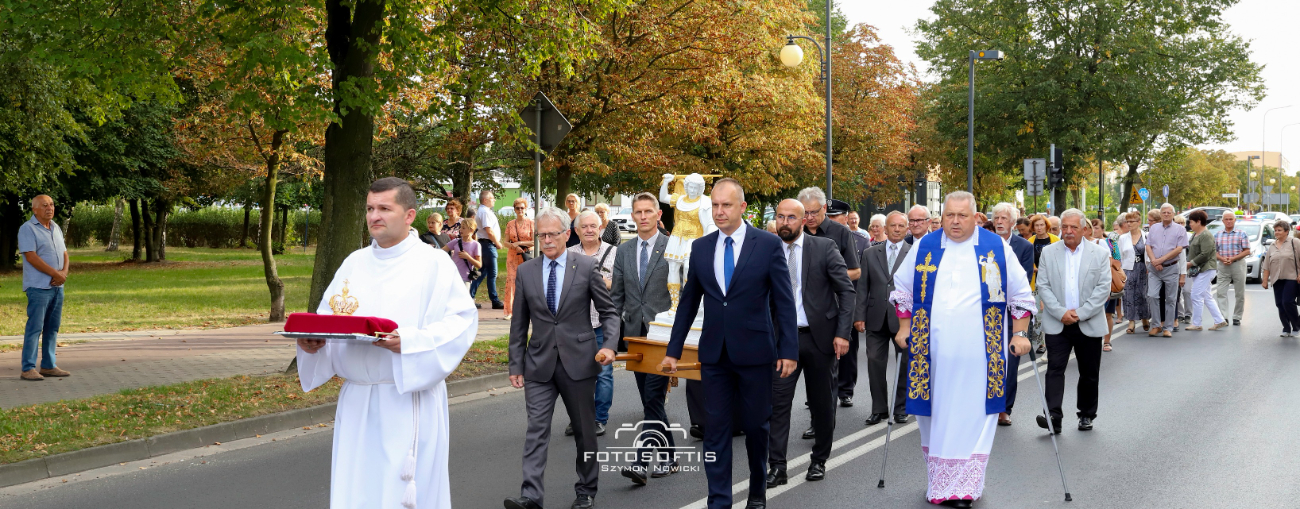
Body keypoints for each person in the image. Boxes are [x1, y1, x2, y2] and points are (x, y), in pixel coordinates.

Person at [296, 177, 477, 509]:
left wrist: (409, 341)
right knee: (357, 491)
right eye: (369, 208)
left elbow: (462, 323)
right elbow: (328, 320)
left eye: (383, 208)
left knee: (400, 495)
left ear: (409, 215)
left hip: (406, 399)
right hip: (357, 400)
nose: (374, 216)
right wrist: (313, 343)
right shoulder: (354, 263)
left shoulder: (433, 264)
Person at [889, 191, 1035, 507]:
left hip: (982, 352)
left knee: (974, 413)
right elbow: (903, 288)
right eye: (949, 215)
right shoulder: (925, 246)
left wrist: (1020, 333)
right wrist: (904, 327)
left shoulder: (996, 248)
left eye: (962, 215)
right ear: (941, 217)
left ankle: (965, 487)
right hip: (932, 352)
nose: (955, 222)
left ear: (975, 217)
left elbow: (1020, 294)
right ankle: (940, 482)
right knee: (935, 415)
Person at [660, 178, 798, 509]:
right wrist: (672, 352)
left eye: (726, 205)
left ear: (742, 208)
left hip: (755, 354)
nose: (719, 212)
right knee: (715, 429)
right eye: (715, 206)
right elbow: (689, 302)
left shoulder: (766, 244)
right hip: (715, 355)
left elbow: (783, 301)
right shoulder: (702, 247)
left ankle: (756, 493)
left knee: (755, 427)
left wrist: (789, 351)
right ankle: (718, 500)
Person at [505, 207, 620, 509]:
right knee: (536, 430)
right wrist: (515, 364)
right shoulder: (528, 271)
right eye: (541, 235)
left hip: (579, 362)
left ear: (567, 234)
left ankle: (586, 490)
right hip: (539, 364)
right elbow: (519, 324)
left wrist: (609, 345)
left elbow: (609, 312)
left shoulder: (584, 266)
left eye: (552, 234)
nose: (546, 240)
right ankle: (531, 496)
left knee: (585, 431)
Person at [765, 198, 854, 488]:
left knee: (821, 404)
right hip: (781, 342)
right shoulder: (767, 251)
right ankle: (777, 467)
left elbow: (846, 291)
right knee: (777, 405)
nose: (785, 223)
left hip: (819, 340)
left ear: (803, 221)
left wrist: (842, 333)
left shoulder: (824, 247)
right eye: (780, 217)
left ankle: (819, 459)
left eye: (792, 217)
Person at [609, 193, 679, 485]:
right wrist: (611, 340)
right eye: (638, 212)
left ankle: (641, 460)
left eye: (648, 211)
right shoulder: (624, 251)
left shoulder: (673, 246)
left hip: (664, 336)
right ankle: (671, 456)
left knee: (652, 397)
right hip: (636, 338)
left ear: (658, 214)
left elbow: (682, 293)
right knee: (650, 401)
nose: (643, 216)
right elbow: (616, 299)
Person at [1035, 209, 1112, 434]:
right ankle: (1053, 416)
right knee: (1054, 369)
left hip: (1087, 322)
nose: (1068, 232)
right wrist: (1061, 312)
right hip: (1058, 322)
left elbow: (1103, 288)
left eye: (1073, 228)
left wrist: (1080, 313)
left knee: (1089, 372)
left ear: (1084, 229)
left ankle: (1086, 414)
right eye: (1064, 228)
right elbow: (1043, 286)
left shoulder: (1098, 253)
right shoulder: (1049, 252)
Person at [564, 210, 618, 438]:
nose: (588, 230)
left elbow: (620, 285)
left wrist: (601, 281)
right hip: (575, 326)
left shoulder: (615, 253)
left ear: (600, 229)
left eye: (592, 226)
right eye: (583, 227)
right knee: (576, 376)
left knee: (603, 373)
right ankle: (578, 418)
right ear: (576, 231)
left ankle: (599, 419)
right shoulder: (567, 254)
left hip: (602, 324)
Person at [852, 211, 910, 426]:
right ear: (885, 228)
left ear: (907, 229)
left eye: (901, 226)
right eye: (892, 225)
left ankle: (901, 408)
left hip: (903, 319)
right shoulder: (870, 253)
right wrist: (859, 315)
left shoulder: (913, 253)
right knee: (875, 362)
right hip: (875, 316)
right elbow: (863, 287)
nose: (896, 229)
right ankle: (879, 409)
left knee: (904, 364)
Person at [18, 194, 71, 381]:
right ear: (35, 209)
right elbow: (31, 257)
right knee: (35, 327)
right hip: (39, 287)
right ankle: (28, 368)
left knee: (52, 327)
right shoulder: (27, 229)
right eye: (44, 205)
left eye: (51, 204)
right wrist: (55, 274)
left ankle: (48, 365)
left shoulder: (56, 227)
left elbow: (64, 253)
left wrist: (63, 273)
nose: (49, 208)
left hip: (57, 287)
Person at [991, 203, 1034, 426]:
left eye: (1004, 218)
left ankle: (1004, 408)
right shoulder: (983, 244)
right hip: (985, 312)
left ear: (1013, 223)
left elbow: (1024, 281)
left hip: (1012, 312)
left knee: (1010, 361)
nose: (999, 222)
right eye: (996, 218)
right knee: (988, 360)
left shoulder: (1024, 247)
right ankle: (986, 404)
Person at [1184, 210, 1229, 332]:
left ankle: (1197, 323)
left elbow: (1205, 254)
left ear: (1199, 222)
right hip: (1199, 269)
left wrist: (1191, 263)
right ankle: (1219, 320)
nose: (1190, 224)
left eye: (1191, 222)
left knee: (1196, 294)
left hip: (1206, 269)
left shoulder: (1206, 235)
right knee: (1207, 296)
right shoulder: (1196, 234)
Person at [1146, 204, 1186, 338]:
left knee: (1170, 298)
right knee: (1152, 295)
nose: (1166, 214)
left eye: (1169, 212)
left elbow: (1179, 249)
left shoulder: (1180, 229)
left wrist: (1161, 260)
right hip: (1154, 268)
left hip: (1171, 268)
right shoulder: (1154, 228)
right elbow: (1148, 246)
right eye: (1164, 212)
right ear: (1161, 214)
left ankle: (1168, 327)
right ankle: (1156, 325)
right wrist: (1154, 261)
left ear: (1173, 214)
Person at [1085, 219, 1124, 350]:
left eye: (1096, 228)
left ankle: (1107, 341)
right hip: (1086, 285)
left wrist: (1106, 286)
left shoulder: (1101, 242)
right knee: (1090, 313)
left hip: (1102, 283)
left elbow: (1109, 263)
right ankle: (1090, 340)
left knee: (1106, 313)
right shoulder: (1076, 244)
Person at [1261, 221, 1300, 337]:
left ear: (1287, 231)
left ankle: (1296, 326)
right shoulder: (1272, 245)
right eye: (1275, 230)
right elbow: (1267, 265)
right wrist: (1265, 280)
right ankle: (1286, 328)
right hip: (1277, 279)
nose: (1276, 232)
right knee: (1279, 303)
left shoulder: (1295, 242)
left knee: (1287, 301)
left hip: (1292, 277)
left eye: (1279, 230)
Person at [469, 191, 505, 310]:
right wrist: (497, 242)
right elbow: (488, 230)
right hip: (488, 244)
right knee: (492, 273)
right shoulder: (484, 212)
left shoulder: (485, 211)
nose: (494, 200)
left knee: (483, 272)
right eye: (492, 198)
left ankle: (469, 296)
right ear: (485, 200)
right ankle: (494, 300)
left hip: (486, 244)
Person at [1214, 211, 1249, 326]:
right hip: (1223, 265)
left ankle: (1237, 317)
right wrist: (1222, 258)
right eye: (1226, 219)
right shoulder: (1217, 235)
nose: (1228, 221)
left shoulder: (1241, 233)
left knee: (1240, 293)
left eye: (1231, 219)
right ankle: (1223, 317)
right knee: (1220, 292)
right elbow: (1213, 252)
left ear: (1235, 220)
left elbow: (1247, 250)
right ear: (1223, 221)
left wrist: (1233, 258)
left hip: (1238, 264)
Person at [1118, 211, 1151, 335]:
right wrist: (1120, 271)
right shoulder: (1122, 238)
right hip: (1128, 269)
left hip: (1143, 267)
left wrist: (1149, 264)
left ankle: (1144, 318)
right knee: (1128, 295)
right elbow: (1120, 255)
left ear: (1139, 222)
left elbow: (1149, 251)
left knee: (1143, 294)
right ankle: (1131, 322)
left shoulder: (1146, 236)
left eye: (1132, 221)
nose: (1129, 224)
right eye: (1127, 221)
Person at [504, 199, 535, 320]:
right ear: (514, 210)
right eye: (517, 208)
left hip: (527, 254)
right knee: (511, 281)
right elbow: (505, 242)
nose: (520, 210)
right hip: (513, 255)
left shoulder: (531, 223)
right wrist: (514, 246)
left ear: (526, 209)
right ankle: (509, 311)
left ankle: (528, 310)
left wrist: (520, 243)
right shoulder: (510, 224)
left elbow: (534, 241)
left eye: (522, 208)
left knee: (527, 282)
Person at [448, 218, 483, 290]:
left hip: (465, 278)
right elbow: (441, 251)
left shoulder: (476, 245)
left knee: (462, 300)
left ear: (471, 230)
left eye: (463, 228)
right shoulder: (455, 241)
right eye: (460, 227)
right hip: (452, 277)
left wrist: (468, 257)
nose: (460, 230)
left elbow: (479, 265)